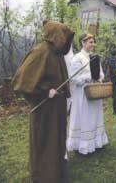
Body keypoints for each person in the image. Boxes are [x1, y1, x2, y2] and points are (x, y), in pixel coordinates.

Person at [11, 20, 74, 183]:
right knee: (45, 140)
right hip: (44, 109)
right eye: (64, 36)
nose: (66, 41)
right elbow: (21, 82)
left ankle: (56, 173)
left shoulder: (57, 54)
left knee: (56, 140)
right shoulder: (40, 52)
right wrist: (45, 91)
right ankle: (43, 176)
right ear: (56, 36)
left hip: (56, 108)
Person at [67, 33, 109, 155]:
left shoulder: (94, 57)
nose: (93, 44)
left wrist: (99, 77)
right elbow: (73, 78)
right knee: (85, 118)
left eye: (93, 42)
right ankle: (82, 145)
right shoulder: (77, 58)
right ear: (83, 43)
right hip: (83, 94)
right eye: (90, 42)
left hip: (95, 92)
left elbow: (100, 73)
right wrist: (89, 77)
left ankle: (96, 142)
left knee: (95, 117)